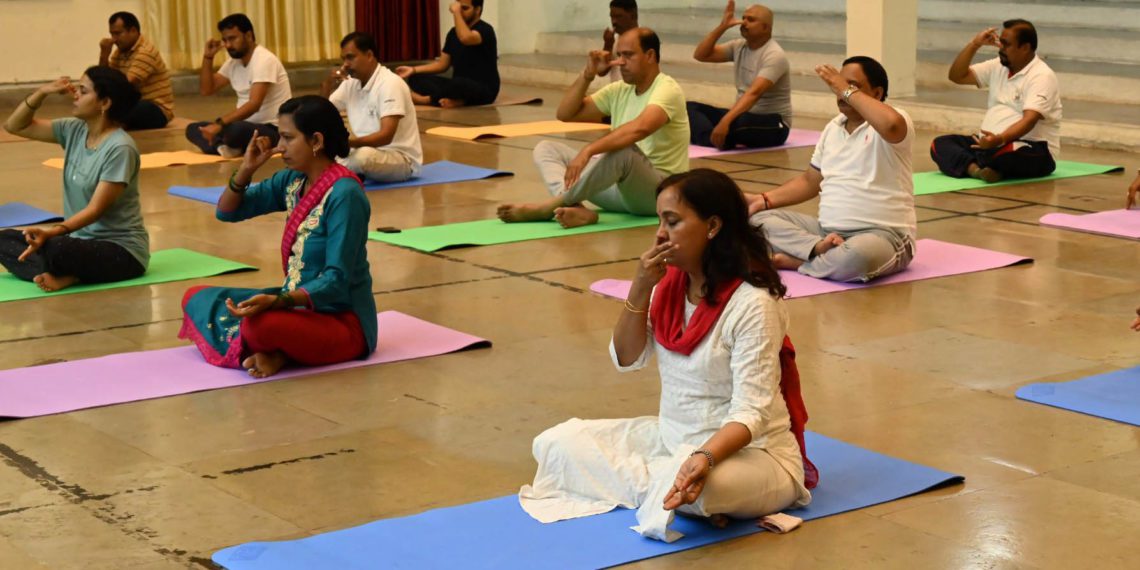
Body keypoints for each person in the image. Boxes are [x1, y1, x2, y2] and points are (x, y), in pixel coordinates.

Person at [519, 169, 816, 542]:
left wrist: (703, 460)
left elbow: (750, 414)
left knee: (707, 487)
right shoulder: (669, 287)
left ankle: (684, 490)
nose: (660, 234)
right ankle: (676, 491)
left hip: (755, 455)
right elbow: (626, 358)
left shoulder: (754, 303)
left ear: (712, 226)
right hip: (673, 438)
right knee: (555, 443)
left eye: (672, 222)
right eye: (660, 221)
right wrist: (641, 287)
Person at [179, 96, 376, 379]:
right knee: (197, 297)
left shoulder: (345, 194)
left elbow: (337, 280)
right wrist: (247, 168)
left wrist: (280, 302)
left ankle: (279, 352)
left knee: (259, 326)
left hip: (341, 320)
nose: (279, 147)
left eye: (287, 137)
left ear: (316, 141)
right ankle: (278, 353)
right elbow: (227, 212)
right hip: (294, 305)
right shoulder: (292, 180)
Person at [497, 28, 689, 229]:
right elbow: (565, 114)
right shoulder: (619, 90)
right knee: (546, 148)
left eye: (629, 55)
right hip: (619, 193)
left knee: (624, 151)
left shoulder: (667, 89)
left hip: (656, 195)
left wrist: (589, 150)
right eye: (619, 55)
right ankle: (577, 208)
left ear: (650, 56)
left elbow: (639, 129)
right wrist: (587, 75)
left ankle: (550, 206)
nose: (621, 62)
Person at [747, 56, 915, 283]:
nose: (840, 92)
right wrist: (763, 200)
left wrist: (843, 88)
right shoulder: (832, 128)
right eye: (838, 84)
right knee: (755, 221)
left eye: (851, 86)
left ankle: (799, 262)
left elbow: (892, 125)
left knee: (857, 256)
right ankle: (817, 250)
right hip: (826, 234)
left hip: (882, 236)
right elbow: (810, 181)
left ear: (876, 93)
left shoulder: (895, 118)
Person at [0, 67, 148, 293]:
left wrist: (53, 231)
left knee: (57, 248)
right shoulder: (74, 130)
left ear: (105, 103)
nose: (75, 95)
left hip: (121, 251)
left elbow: (96, 210)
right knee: (6, 239)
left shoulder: (120, 148)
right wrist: (42, 92)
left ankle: (68, 273)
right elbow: (15, 126)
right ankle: (62, 270)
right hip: (78, 242)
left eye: (83, 90)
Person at [931, 19, 1061, 183]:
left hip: (1030, 148)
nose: (1001, 48)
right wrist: (975, 44)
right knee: (940, 144)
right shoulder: (998, 66)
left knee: (1012, 152)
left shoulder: (1042, 76)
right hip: (988, 146)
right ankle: (978, 171)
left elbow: (1029, 120)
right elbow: (957, 76)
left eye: (1006, 44)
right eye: (1001, 42)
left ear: (1025, 48)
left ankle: (983, 163)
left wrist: (999, 140)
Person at [688, 1, 792, 150]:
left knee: (734, 124)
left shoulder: (774, 55)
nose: (743, 23)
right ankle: (713, 138)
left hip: (774, 124)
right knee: (690, 108)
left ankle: (708, 136)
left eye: (751, 20)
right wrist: (722, 26)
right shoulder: (738, 46)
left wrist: (725, 122)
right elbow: (700, 55)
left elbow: (753, 94)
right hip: (742, 115)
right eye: (744, 18)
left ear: (765, 28)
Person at [321, 32, 422, 183]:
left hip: (399, 158)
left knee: (363, 157)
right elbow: (321, 111)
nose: (345, 65)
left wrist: (345, 144)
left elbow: (385, 137)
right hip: (361, 149)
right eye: (343, 59)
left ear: (369, 55)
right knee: (317, 150)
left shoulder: (390, 83)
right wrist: (327, 84)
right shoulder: (351, 83)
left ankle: (331, 172)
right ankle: (338, 171)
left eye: (350, 57)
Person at [186, 13, 293, 156]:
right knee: (193, 129)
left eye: (232, 38)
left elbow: (254, 104)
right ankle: (224, 147)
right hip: (245, 126)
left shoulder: (264, 60)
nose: (228, 45)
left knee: (235, 130)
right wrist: (208, 57)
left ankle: (226, 145)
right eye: (225, 40)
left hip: (272, 128)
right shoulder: (233, 63)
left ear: (248, 36)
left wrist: (219, 125)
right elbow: (207, 89)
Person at [396, 0, 500, 108]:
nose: (459, 11)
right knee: (416, 78)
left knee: (459, 84)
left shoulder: (485, 30)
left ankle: (426, 100)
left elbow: (466, 38)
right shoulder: (453, 33)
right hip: (456, 85)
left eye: (464, 8)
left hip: (483, 88)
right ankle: (458, 100)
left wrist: (456, 13)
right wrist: (413, 70)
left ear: (477, 10)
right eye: (458, 8)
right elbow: (442, 65)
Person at [98, 11, 174, 130]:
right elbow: (105, 80)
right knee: (100, 103)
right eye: (111, 34)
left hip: (156, 109)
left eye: (118, 33)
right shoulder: (119, 52)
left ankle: (115, 122)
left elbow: (126, 86)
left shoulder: (145, 52)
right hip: (132, 102)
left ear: (133, 31)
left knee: (127, 107)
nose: (113, 39)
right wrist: (104, 55)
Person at [601, 0, 638, 83]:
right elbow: (601, 71)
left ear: (633, 15)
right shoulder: (614, 39)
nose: (614, 22)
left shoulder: (644, 41)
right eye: (612, 17)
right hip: (616, 94)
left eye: (619, 16)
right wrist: (608, 45)